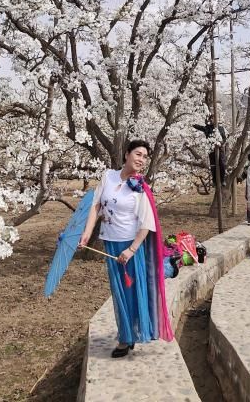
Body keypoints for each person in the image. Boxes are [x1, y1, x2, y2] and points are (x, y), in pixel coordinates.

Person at [80, 140, 174, 357]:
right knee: (119, 292)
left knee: (131, 291)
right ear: (126, 154)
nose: (141, 159)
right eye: (138, 154)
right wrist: (87, 233)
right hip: (110, 242)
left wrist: (131, 249)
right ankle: (127, 334)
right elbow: (96, 205)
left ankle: (127, 338)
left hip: (130, 246)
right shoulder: (108, 176)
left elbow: (147, 223)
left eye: (145, 157)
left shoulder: (140, 187)